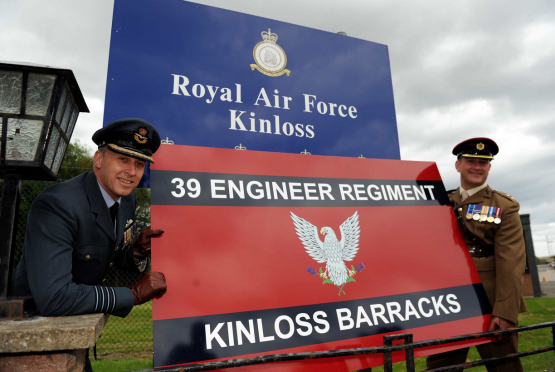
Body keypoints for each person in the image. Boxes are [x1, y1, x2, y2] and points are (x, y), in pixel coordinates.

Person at [11, 118, 167, 369]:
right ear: (98, 159)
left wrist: (136, 251)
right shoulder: (57, 205)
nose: (132, 172)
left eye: (139, 164)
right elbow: (54, 297)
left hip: (74, 330)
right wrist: (132, 296)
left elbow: (107, 258)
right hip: (30, 338)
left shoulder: (126, 200)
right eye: (123, 159)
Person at [426, 138, 527, 372]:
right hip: (448, 302)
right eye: (471, 161)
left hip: (490, 303)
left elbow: (511, 262)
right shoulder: (441, 202)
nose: (477, 167)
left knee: (504, 366)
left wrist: (505, 312)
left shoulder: (504, 205)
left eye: (483, 163)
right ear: (458, 165)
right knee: (441, 367)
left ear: (489, 167)